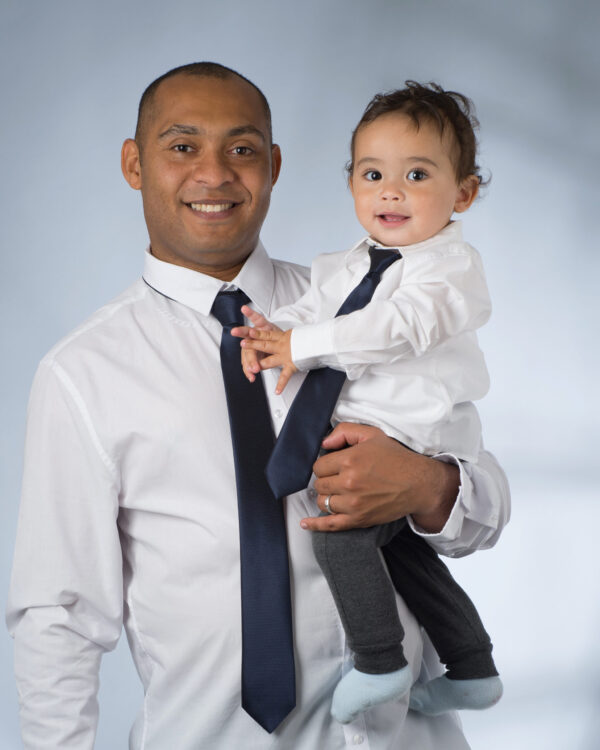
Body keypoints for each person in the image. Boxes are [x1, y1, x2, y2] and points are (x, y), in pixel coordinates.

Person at [6, 63, 510, 750]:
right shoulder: (84, 372)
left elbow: (485, 514)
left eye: (242, 149)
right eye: (182, 146)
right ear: (134, 163)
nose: (214, 174)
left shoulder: (366, 304)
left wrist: (427, 484)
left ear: (272, 165)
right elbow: (58, 616)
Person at [233, 81, 505, 725]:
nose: (391, 190)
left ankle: (379, 660)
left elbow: (394, 327)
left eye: (417, 174)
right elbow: (315, 311)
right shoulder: (347, 264)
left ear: (462, 193)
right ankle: (471, 665)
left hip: (420, 435)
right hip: (377, 430)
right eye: (373, 173)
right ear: (351, 181)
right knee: (399, 549)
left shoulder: (449, 269)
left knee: (340, 536)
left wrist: (302, 344)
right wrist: (271, 333)